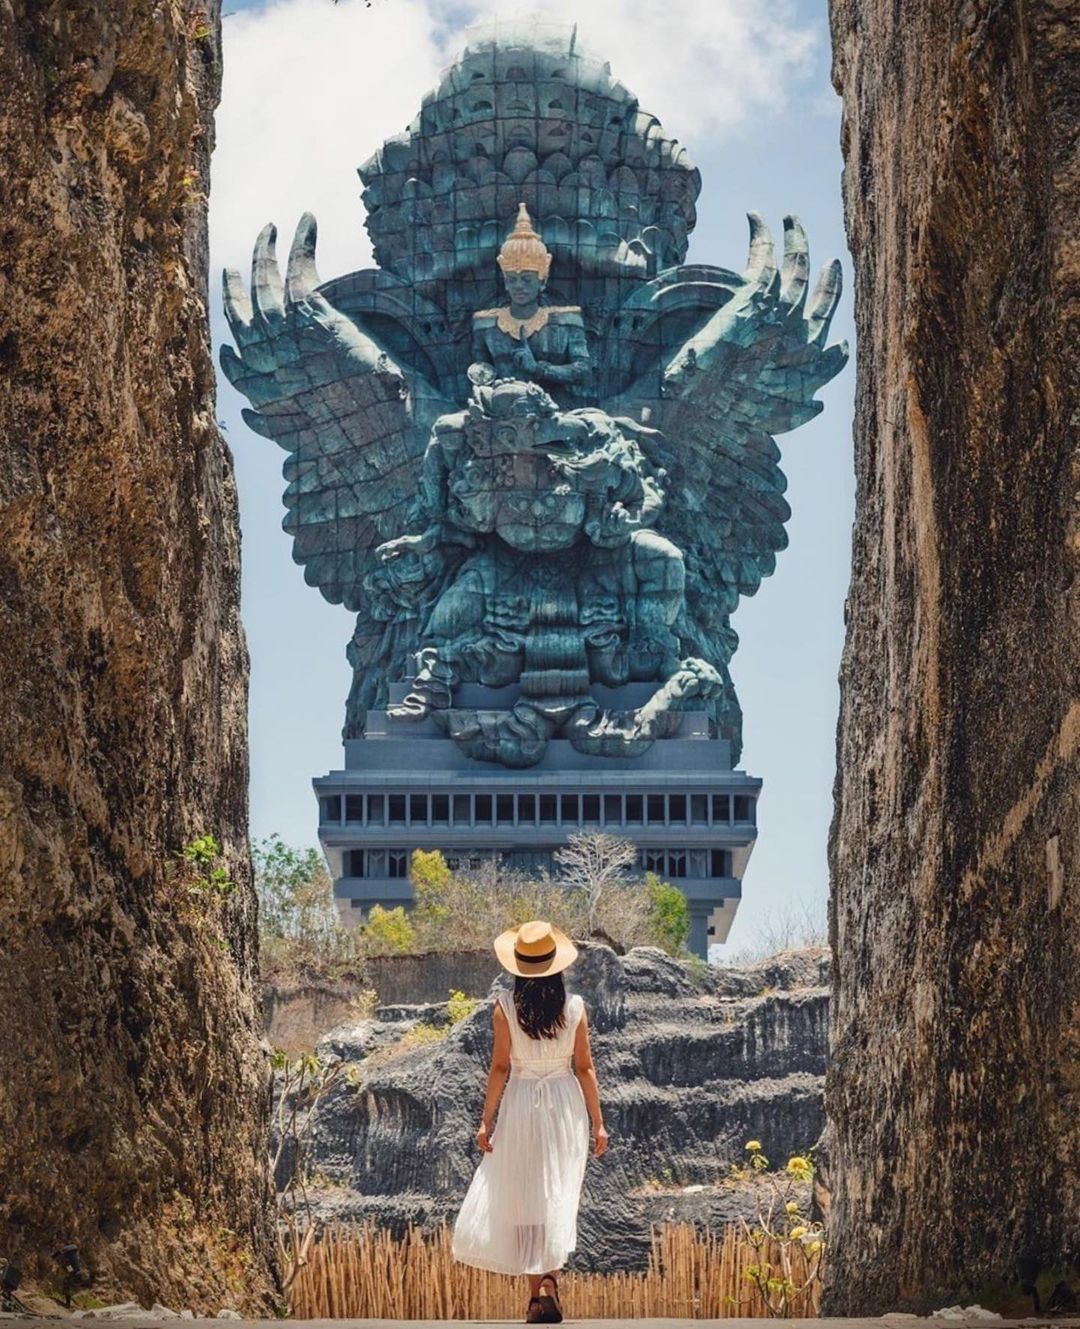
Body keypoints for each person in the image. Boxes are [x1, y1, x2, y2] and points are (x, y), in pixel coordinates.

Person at [451, 919, 609, 1324]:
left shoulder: (504, 1006)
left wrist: (486, 1122)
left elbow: (500, 1067)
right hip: (563, 1105)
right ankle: (550, 1283)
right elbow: (585, 1068)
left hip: (521, 1101)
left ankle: (534, 1299)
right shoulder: (574, 1008)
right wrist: (598, 1123)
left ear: (517, 966)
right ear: (556, 966)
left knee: (523, 1199)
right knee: (555, 1193)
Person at [470, 203, 592, 404]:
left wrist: (538, 369)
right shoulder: (485, 325)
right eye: (512, 279)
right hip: (503, 410)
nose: (519, 286)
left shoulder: (566, 321)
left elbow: (583, 371)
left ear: (542, 281)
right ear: (505, 282)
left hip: (556, 410)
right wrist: (492, 385)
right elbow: (480, 371)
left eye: (526, 279)